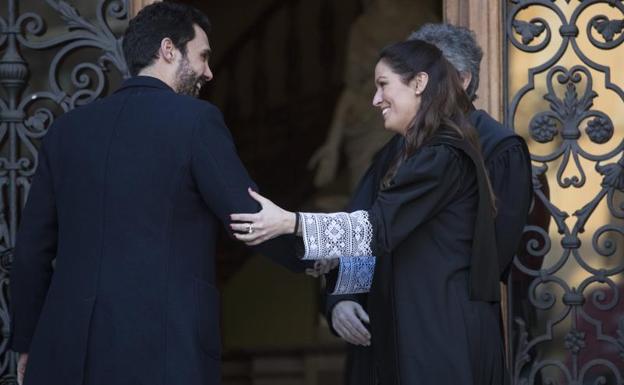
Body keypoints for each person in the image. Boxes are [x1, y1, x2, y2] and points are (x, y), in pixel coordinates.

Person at [9, 3, 304, 385]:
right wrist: (321, 258)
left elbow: (32, 249)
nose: (209, 72)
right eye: (202, 57)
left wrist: (27, 343)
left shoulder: (67, 131)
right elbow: (248, 217)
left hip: (64, 353)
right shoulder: (196, 121)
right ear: (169, 49)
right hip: (162, 350)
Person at [232, 39, 508, 384]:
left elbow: (374, 229)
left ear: (419, 83)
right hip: (424, 330)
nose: (375, 99)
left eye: (383, 85)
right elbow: (375, 234)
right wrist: (342, 298)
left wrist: (290, 222)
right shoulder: (414, 153)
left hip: (441, 335)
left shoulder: (441, 156)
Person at [320, 24, 533, 384]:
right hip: (382, 332)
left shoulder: (499, 149)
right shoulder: (394, 150)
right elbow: (363, 222)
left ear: (461, 80)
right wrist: (345, 297)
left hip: (443, 334)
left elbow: (490, 258)